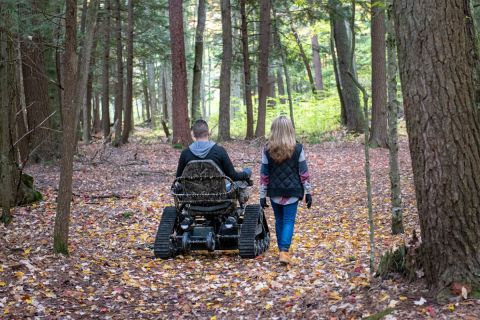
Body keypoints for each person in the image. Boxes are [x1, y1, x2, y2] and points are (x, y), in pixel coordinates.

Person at [259, 116, 312, 264]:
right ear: (290, 130)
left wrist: (262, 195)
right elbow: (304, 172)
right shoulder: (298, 148)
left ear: (274, 130)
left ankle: (282, 250)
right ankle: (284, 251)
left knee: (279, 220)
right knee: (288, 220)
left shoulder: (267, 149)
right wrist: (308, 192)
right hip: (292, 191)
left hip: (275, 191)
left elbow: (264, 174)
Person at [176, 119, 251, 181]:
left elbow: (178, 179)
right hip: (219, 197)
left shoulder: (185, 153)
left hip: (191, 197)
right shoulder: (219, 151)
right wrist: (247, 172)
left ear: (194, 135)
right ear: (208, 133)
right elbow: (233, 176)